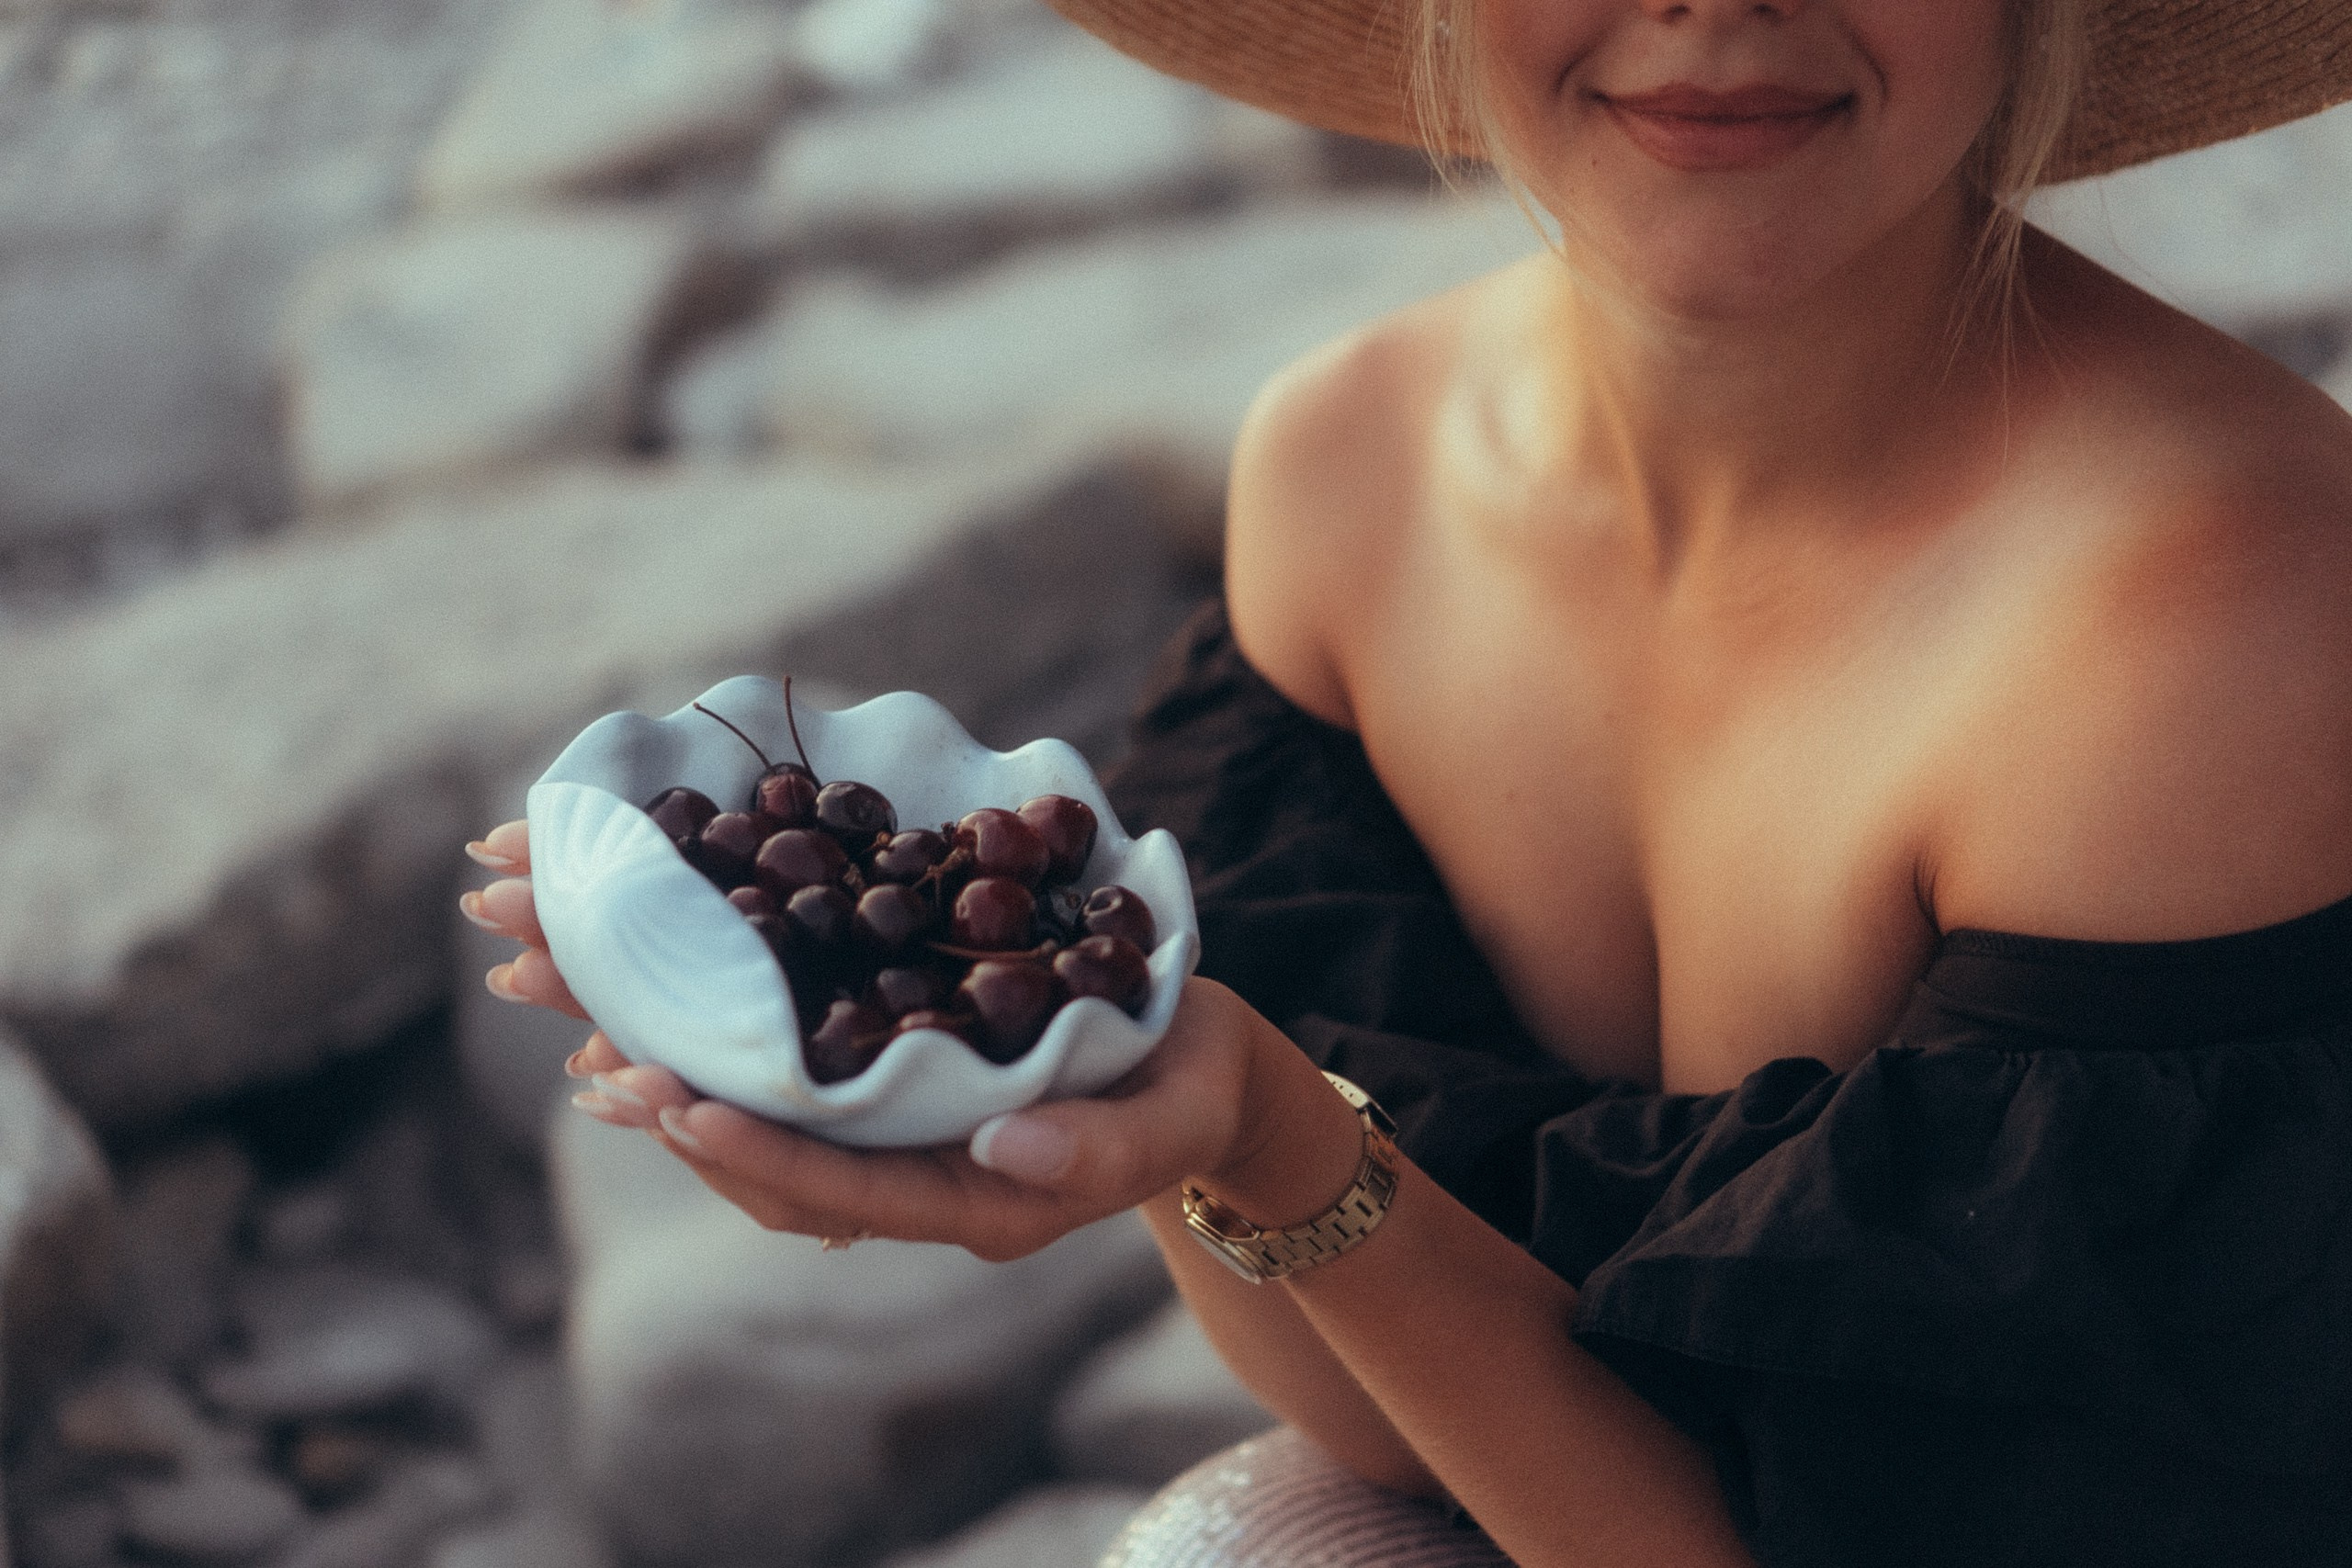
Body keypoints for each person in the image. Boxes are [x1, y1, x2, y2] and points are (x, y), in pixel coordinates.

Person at [460, 1, 2352, 1562]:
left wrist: (1276, 1136)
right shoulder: (1346, 473)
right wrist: (1121, 1077)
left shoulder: (2219, 611)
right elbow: (1381, 1424)